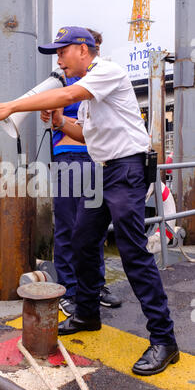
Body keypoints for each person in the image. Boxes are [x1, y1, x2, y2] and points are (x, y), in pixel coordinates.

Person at [0, 26, 179, 376]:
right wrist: (59, 122)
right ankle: (87, 313)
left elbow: (67, 96)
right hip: (104, 168)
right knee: (83, 240)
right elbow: (84, 134)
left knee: (132, 252)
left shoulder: (106, 72)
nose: (59, 60)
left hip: (127, 168)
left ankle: (164, 339)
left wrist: (11, 106)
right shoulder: (87, 93)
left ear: (84, 50)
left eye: (62, 52)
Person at [44, 28, 121, 317]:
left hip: (96, 157)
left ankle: (93, 285)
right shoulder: (59, 82)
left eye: (97, 46)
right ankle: (68, 288)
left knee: (95, 227)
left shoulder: (101, 78)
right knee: (67, 225)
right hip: (67, 155)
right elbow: (55, 115)